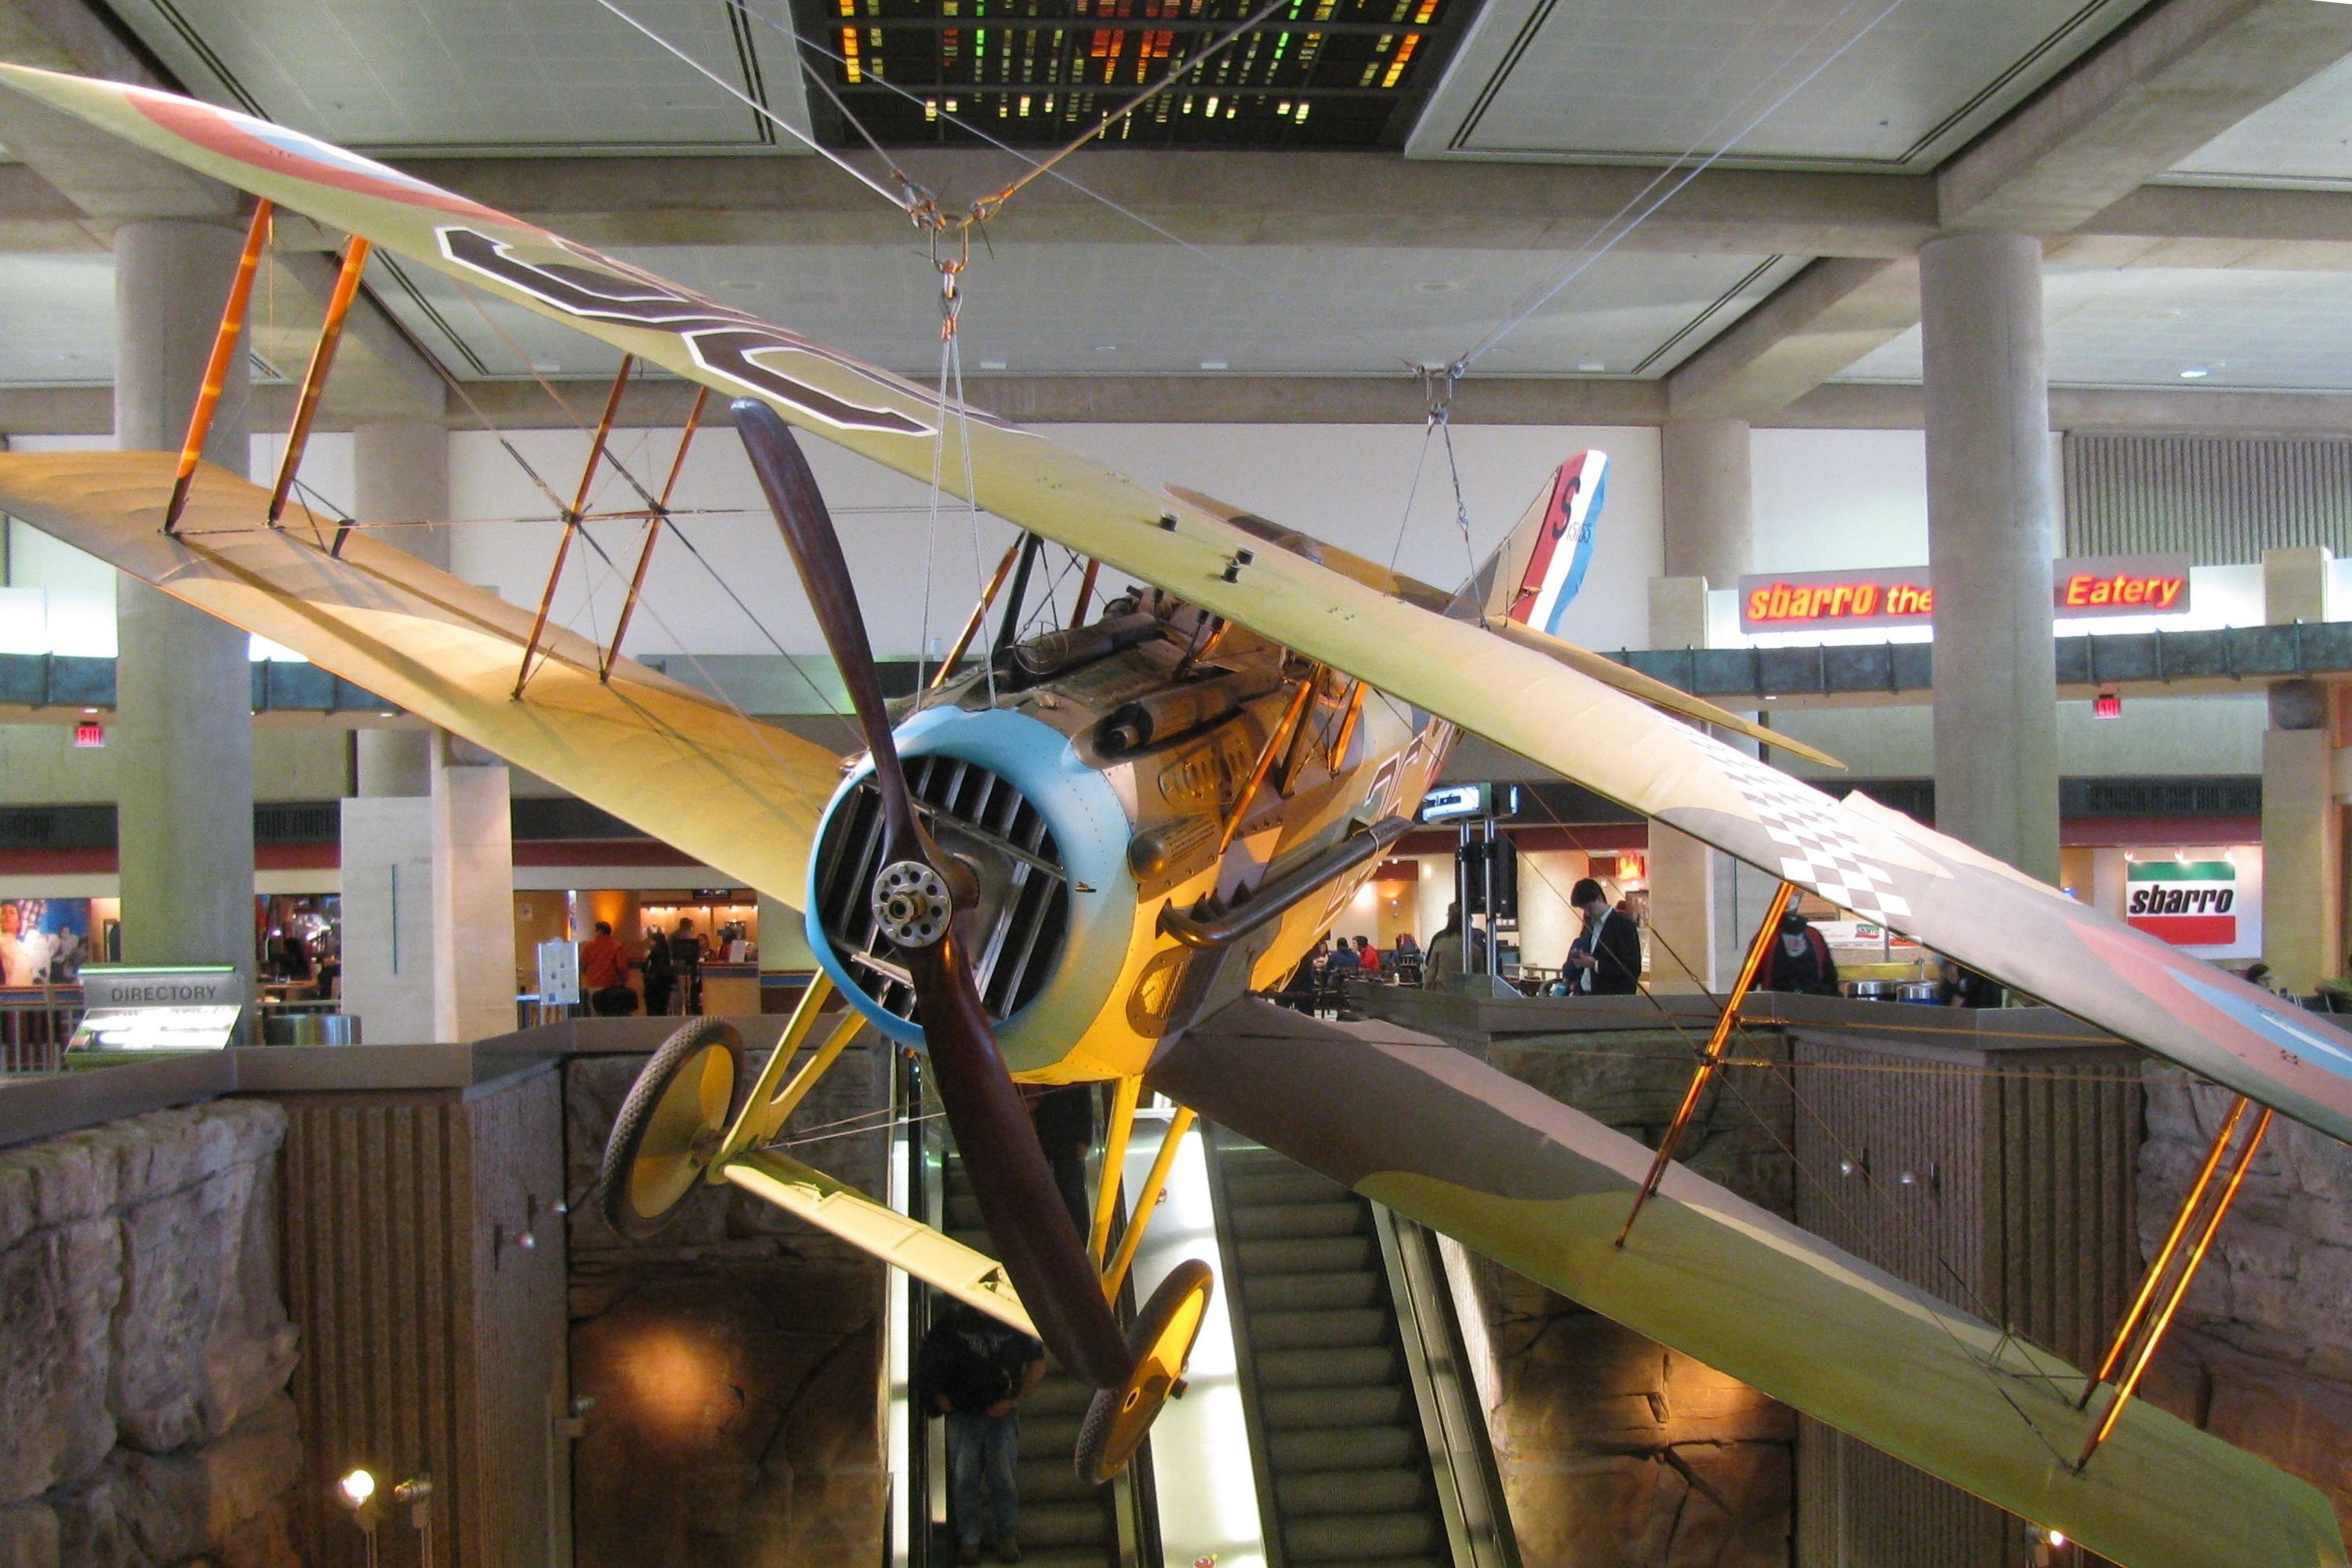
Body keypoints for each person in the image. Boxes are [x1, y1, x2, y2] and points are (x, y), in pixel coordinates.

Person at [916, 1302, 1047, 1563]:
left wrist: (1015, 1401)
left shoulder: (1013, 1317)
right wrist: (937, 1394)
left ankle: (1005, 1535)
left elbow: (1037, 1362)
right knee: (965, 1479)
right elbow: (929, 1356)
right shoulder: (953, 1320)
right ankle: (970, 1539)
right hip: (963, 1412)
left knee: (1003, 1480)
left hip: (1001, 1414)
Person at [1026, 1083, 1094, 1243]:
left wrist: (1084, 1139)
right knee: (1066, 1190)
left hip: (1058, 1135)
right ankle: (1073, 1237)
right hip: (1053, 1134)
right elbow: (1084, 1103)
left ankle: (1075, 1237)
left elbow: (1084, 1103)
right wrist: (1085, 1139)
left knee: (1069, 1190)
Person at [1563, 877, 1641, 996]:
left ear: (1599, 899)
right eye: (1584, 909)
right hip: (1585, 995)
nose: (1587, 913)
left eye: (1589, 908)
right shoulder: (1590, 925)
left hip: (1611, 997)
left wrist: (1596, 965)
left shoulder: (1623, 925)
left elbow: (1632, 968)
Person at [1760, 910, 1839, 996]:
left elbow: (1752, 977)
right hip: (1814, 1001)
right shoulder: (1814, 935)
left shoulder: (1766, 938)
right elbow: (1829, 974)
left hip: (1776, 1000)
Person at [580, 921, 637, 1015]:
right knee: (611, 1014)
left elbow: (583, 965)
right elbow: (622, 966)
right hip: (610, 986)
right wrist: (623, 981)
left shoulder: (589, 947)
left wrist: (590, 975)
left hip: (593, 984)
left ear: (599, 931)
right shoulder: (616, 946)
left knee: (595, 1013)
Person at [1425, 903, 1486, 986]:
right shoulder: (1478, 942)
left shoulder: (1439, 941)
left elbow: (1430, 974)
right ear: (1470, 918)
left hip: (1443, 993)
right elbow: (1481, 978)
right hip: (1469, 994)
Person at [0, 902, 40, 987]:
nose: (7, 916)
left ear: (18, 922)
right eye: (3, 912)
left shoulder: (24, 949)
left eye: (12, 913)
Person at [641, 924, 676, 1017]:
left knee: (653, 1011)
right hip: (662, 987)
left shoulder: (654, 955)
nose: (649, 942)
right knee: (661, 1011)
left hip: (655, 987)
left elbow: (645, 969)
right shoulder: (666, 955)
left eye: (652, 940)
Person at [672, 918, 706, 1013]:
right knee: (687, 990)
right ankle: (690, 1009)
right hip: (686, 968)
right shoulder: (688, 937)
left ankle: (678, 1011)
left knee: (677, 990)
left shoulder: (672, 936)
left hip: (675, 968)